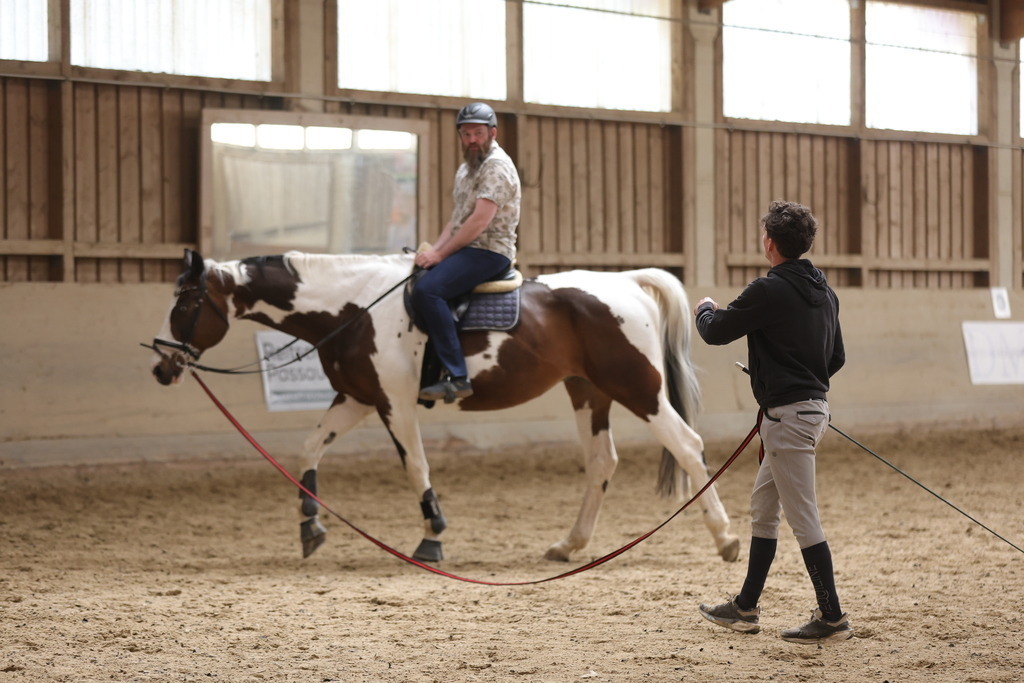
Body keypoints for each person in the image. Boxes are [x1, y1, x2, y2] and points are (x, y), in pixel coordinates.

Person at [692, 200, 851, 644]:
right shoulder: (824, 291)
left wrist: (704, 307)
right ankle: (744, 607)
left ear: (769, 243)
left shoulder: (768, 289)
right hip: (805, 413)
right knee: (764, 509)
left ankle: (833, 617)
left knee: (804, 520)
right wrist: (796, 381)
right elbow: (835, 357)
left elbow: (716, 330)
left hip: (789, 420)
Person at [412, 102, 521, 402]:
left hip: (489, 250)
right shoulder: (466, 169)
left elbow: (479, 221)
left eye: (478, 133)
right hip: (467, 247)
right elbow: (458, 219)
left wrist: (441, 256)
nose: (472, 139)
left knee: (428, 291)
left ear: (492, 133)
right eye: (466, 133)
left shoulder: (496, 167)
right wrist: (433, 250)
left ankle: (457, 376)